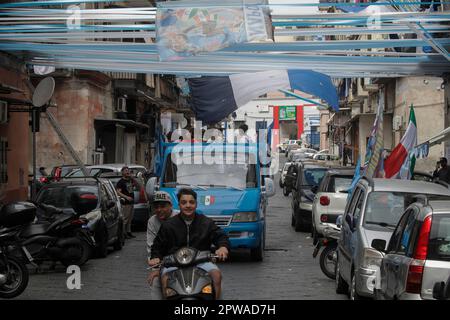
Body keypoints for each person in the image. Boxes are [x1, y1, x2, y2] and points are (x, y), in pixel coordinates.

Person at [148, 188, 230, 299]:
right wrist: (156, 257)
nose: (188, 205)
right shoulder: (168, 225)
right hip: (174, 264)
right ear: (179, 205)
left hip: (201, 262)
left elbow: (220, 235)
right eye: (184, 202)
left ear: (196, 204)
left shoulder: (206, 222)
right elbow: (157, 245)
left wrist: (223, 247)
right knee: (164, 279)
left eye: (191, 202)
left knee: (216, 275)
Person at [146, 191, 177, 299]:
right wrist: (155, 268)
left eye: (163, 206)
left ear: (170, 206)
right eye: (156, 207)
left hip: (182, 259)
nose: (159, 210)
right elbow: (151, 246)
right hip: (163, 261)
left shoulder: (179, 216)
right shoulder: (152, 221)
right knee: (155, 282)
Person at [116, 166, 139, 239]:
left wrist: (133, 178)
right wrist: (126, 197)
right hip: (125, 203)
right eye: (125, 170)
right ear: (122, 172)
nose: (127, 172)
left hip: (131, 202)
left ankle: (128, 232)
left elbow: (138, 186)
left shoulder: (130, 180)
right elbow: (118, 192)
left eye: (128, 170)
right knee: (125, 219)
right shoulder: (121, 182)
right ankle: (123, 234)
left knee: (130, 219)